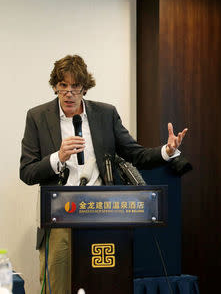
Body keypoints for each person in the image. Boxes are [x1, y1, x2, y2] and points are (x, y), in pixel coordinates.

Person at [19, 54, 188, 294]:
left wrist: (167, 151)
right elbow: (26, 172)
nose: (69, 93)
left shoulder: (105, 115)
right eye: (63, 86)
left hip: (102, 215)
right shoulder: (37, 116)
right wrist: (58, 158)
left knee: (106, 284)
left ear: (85, 88)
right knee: (57, 288)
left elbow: (135, 154)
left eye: (75, 87)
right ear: (55, 87)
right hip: (59, 221)